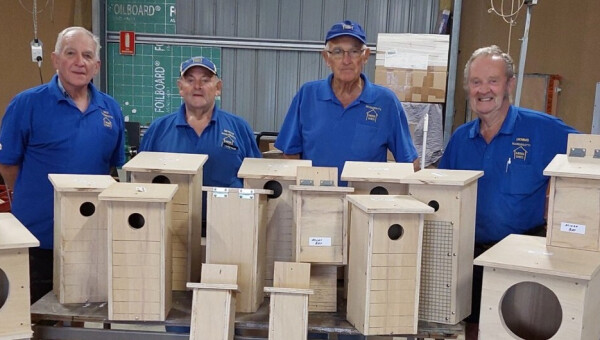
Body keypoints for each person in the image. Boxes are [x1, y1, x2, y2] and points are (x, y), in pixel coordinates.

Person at [438, 45, 579, 339]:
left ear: (510, 85)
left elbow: (590, 154)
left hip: (525, 261)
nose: (483, 90)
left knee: (517, 332)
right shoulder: (460, 139)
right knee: (473, 329)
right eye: (476, 82)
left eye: (493, 81)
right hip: (470, 259)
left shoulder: (543, 130)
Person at [0, 26, 125, 304]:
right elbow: (8, 165)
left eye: (87, 55)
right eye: (71, 53)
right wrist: (35, 199)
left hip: (88, 239)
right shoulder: (26, 104)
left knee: (78, 316)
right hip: (36, 239)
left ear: (97, 65)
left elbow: (113, 169)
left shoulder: (111, 110)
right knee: (29, 319)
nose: (79, 62)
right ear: (56, 59)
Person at [274, 20, 418, 185]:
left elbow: (408, 163)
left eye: (354, 51)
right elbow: (290, 155)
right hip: (315, 201)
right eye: (337, 51)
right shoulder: (307, 96)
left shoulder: (386, 102)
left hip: (364, 204)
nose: (346, 60)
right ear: (327, 58)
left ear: (365, 56)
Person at [139, 56, 261, 188]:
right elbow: (141, 179)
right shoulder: (158, 129)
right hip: (174, 208)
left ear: (218, 88)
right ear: (180, 87)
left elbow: (255, 180)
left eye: (205, 80)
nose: (197, 86)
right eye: (190, 80)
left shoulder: (239, 128)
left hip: (226, 208)